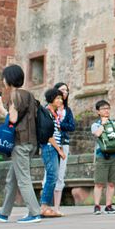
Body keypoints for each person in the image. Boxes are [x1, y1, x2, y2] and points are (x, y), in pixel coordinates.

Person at [0, 64, 42, 224]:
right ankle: (4, 212)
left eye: (4, 77)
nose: (3, 80)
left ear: (9, 78)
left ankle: (34, 212)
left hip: (20, 143)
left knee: (23, 179)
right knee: (12, 178)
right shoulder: (29, 95)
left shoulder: (15, 95)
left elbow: (12, 119)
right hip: (31, 142)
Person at [91, 99, 115, 215]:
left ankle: (109, 206)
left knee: (112, 183)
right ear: (98, 112)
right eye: (103, 109)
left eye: (108, 108)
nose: (106, 111)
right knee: (99, 183)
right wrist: (103, 124)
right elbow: (97, 134)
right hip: (102, 156)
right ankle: (97, 206)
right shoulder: (96, 124)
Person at [39, 88, 66, 217]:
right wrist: (59, 150)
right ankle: (44, 206)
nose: (60, 100)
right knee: (51, 176)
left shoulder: (54, 113)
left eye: (61, 98)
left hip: (53, 147)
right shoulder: (46, 113)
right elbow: (48, 134)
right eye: (57, 98)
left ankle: (46, 206)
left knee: (53, 176)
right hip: (50, 147)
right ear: (51, 99)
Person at [51, 82, 75, 215]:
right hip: (50, 143)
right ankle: (46, 205)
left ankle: (56, 207)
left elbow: (72, 126)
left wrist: (60, 125)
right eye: (61, 90)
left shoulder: (68, 110)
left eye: (66, 91)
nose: (64, 93)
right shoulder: (48, 109)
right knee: (49, 173)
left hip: (64, 142)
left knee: (61, 173)